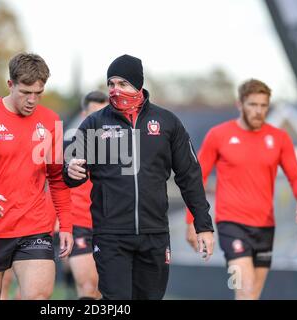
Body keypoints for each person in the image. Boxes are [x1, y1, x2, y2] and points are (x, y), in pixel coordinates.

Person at [63, 54, 215, 300]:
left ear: (138, 85)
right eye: (111, 84)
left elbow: (189, 176)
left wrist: (203, 225)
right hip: (110, 234)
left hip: (154, 233)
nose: (114, 90)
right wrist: (70, 171)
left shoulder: (167, 122)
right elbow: (70, 169)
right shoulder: (94, 123)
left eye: (122, 84)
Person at [0, 53, 73, 300]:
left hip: (34, 227)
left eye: (38, 93)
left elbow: (57, 178)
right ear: (10, 85)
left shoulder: (52, 121)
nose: (32, 100)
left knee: (38, 297)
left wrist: (66, 225)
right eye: (25, 92)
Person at [185, 79, 297, 300]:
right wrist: (191, 221)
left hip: (265, 228)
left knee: (251, 294)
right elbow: (197, 178)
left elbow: (296, 176)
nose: (259, 111)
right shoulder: (219, 135)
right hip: (231, 225)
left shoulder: (279, 138)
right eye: (253, 105)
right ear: (240, 104)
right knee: (245, 289)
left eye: (264, 106)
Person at [65, 91, 108, 300]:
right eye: (93, 115)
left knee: (104, 290)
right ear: (84, 115)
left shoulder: (121, 148)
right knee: (88, 287)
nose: (99, 121)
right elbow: (53, 185)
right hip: (79, 223)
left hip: (110, 225)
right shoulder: (68, 147)